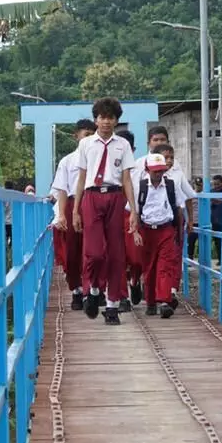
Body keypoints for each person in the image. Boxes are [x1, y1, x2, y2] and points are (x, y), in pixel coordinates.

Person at [73, 98, 139, 325]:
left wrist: (133, 211)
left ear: (116, 120)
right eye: (102, 117)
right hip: (91, 196)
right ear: (95, 119)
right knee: (95, 252)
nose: (106, 122)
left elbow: (127, 179)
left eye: (110, 117)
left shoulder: (123, 145)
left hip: (115, 195)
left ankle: (112, 305)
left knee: (116, 253)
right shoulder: (86, 145)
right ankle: (92, 289)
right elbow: (81, 178)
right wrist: (75, 210)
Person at [50, 119, 96, 309]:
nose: (89, 140)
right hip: (71, 204)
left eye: (92, 136)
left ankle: (90, 289)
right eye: (86, 135)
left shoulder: (99, 160)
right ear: (76, 136)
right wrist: (61, 215)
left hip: (92, 203)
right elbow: (61, 189)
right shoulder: (67, 161)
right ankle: (76, 289)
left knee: (93, 249)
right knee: (72, 251)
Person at [132, 150, 183, 319]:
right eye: (155, 171)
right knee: (149, 267)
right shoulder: (139, 186)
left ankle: (164, 301)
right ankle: (151, 301)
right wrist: (135, 232)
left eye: (161, 170)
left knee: (164, 266)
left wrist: (179, 230)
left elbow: (179, 207)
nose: (158, 174)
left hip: (166, 229)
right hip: (146, 230)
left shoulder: (171, 185)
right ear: (147, 170)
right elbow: (134, 213)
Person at [116, 129, 140, 313]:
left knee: (136, 257)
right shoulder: (108, 167)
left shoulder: (141, 168)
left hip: (134, 215)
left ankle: (135, 279)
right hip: (114, 215)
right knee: (117, 257)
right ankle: (122, 296)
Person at [187, 176, 204, 260]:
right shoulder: (190, 194)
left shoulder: (206, 195)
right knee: (191, 241)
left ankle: (202, 259)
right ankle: (190, 258)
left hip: (203, 221)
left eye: (200, 185)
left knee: (203, 242)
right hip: (193, 221)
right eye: (197, 184)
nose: (198, 186)